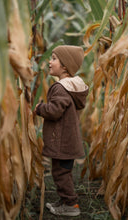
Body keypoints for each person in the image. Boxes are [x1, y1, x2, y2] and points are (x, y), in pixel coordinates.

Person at [35, 45, 89, 216]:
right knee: (63, 172)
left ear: (64, 66)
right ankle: (64, 200)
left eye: (54, 58)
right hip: (67, 141)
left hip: (62, 142)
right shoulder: (70, 87)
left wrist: (40, 108)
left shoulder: (61, 88)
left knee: (60, 174)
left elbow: (55, 110)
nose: (50, 62)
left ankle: (71, 205)